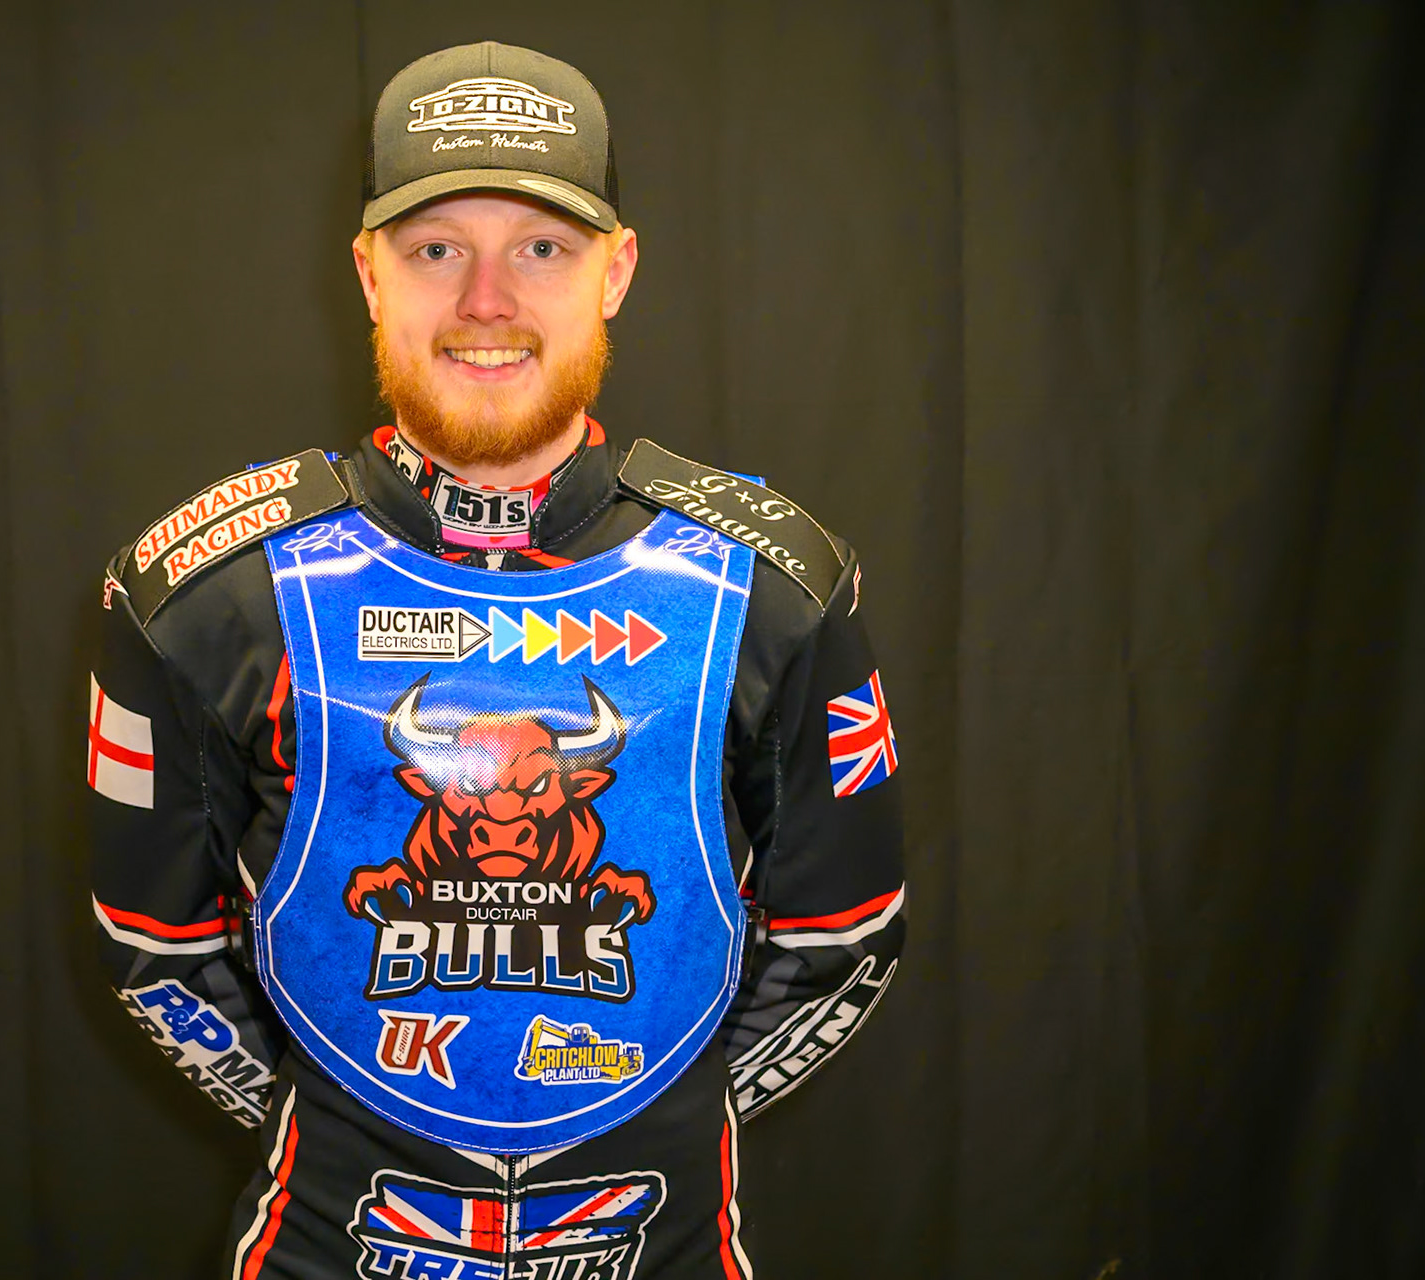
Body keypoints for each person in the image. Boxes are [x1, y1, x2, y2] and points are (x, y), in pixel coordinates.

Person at [88, 41, 905, 1280]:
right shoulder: (200, 588)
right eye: (434, 248)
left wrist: (663, 1107)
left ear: (615, 270)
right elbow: (152, 938)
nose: (484, 299)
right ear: (367, 273)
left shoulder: (775, 579)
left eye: (540, 246)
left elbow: (848, 929)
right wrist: (339, 1119)